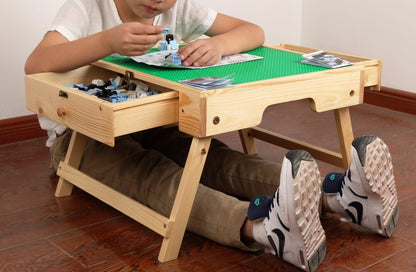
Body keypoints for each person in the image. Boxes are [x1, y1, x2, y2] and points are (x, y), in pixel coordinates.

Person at [24, 1, 399, 271]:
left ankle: (340, 198)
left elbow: (254, 32)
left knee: (216, 159)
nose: (158, 3)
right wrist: (108, 41)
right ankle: (263, 228)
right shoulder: (86, 8)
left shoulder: (180, 8)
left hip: (155, 120)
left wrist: (218, 45)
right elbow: (36, 65)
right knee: (154, 175)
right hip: (81, 137)